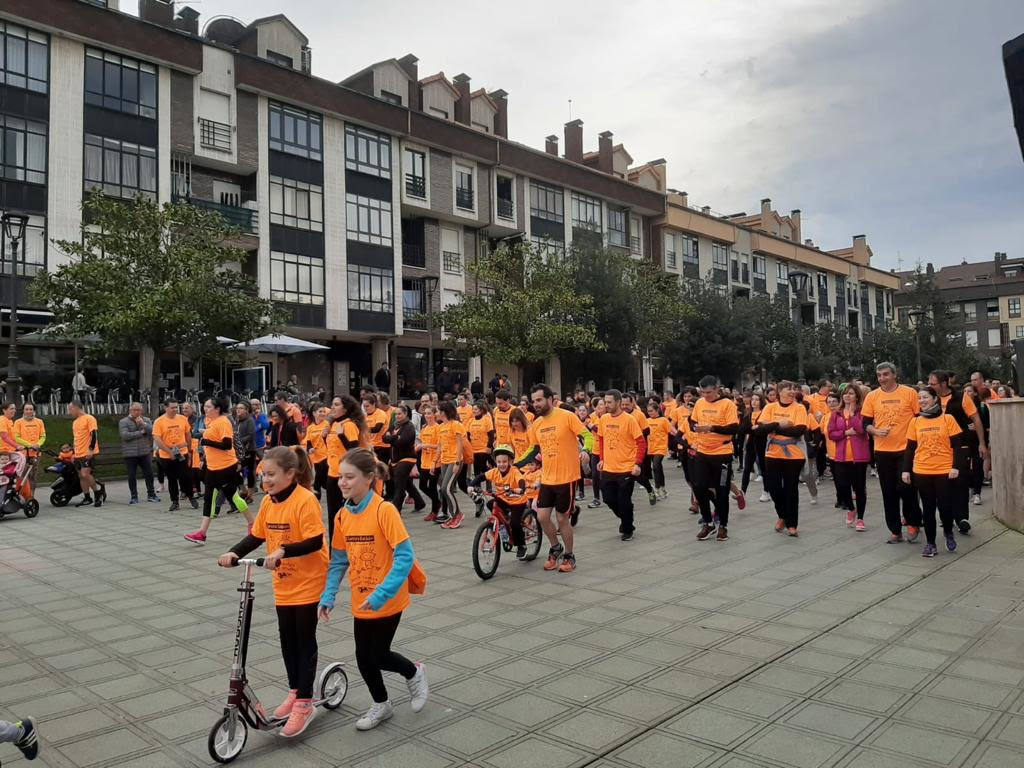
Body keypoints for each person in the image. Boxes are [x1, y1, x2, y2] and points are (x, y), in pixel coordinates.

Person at [217, 446, 328, 738]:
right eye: (263, 474)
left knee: (304, 640)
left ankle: (305, 702)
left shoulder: (306, 500)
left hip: (309, 578)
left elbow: (315, 542)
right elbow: (257, 534)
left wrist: (283, 550)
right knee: (287, 639)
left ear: (291, 474)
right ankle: (295, 690)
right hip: (285, 581)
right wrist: (233, 552)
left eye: (271, 474)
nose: (265, 480)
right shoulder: (269, 502)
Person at [318, 449, 428, 731]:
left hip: (388, 597)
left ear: (369, 479)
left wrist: (382, 593)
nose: (342, 482)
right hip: (361, 598)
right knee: (362, 657)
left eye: (349, 477)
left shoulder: (384, 510)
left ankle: (414, 673)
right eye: (341, 477)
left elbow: (405, 556)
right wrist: (328, 595)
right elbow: (339, 560)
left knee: (379, 654)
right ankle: (382, 704)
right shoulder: (342, 516)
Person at [516, 384, 589, 572]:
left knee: (562, 518)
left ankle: (569, 556)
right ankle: (556, 547)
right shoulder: (537, 425)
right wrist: (514, 464)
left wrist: (586, 451)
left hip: (568, 477)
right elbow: (533, 450)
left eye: (539, 400)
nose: (536, 404)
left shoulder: (567, 417)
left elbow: (587, 436)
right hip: (547, 478)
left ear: (550, 399)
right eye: (534, 401)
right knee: (542, 517)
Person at [862, 362, 922, 543]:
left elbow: (919, 418)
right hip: (882, 450)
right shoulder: (872, 396)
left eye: (886, 374)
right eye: (879, 375)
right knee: (888, 491)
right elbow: (865, 423)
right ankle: (895, 529)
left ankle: (913, 522)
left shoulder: (909, 393)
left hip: (905, 449)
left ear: (895, 375)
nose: (882, 378)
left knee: (906, 487)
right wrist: (875, 431)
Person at [902, 387, 965, 557]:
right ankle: (931, 544)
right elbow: (910, 448)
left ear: (935, 399)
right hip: (922, 470)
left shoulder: (948, 419)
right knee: (928, 509)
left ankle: (948, 532)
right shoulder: (915, 422)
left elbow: (958, 447)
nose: (921, 401)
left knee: (945, 507)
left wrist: (956, 467)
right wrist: (905, 470)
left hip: (945, 470)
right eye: (919, 398)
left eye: (925, 397)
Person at [184, 397, 253, 544]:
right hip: (212, 468)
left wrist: (205, 440)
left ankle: (253, 524)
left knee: (234, 497)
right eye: (204, 406)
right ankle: (201, 533)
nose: (205, 409)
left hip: (226, 468)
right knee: (208, 499)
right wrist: (205, 458)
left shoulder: (223, 422)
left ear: (217, 409)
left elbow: (227, 445)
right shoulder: (210, 421)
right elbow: (212, 440)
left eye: (208, 407)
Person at [930, 370, 986, 533]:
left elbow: (976, 419)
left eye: (933, 383)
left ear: (943, 383)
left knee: (960, 482)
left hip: (960, 446)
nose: (931, 386)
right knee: (943, 485)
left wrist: (982, 443)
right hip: (937, 449)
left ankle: (962, 518)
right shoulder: (930, 399)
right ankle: (947, 516)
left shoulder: (962, 397)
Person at [755, 381, 809, 536]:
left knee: (791, 489)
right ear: (779, 391)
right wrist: (782, 424)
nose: (792, 391)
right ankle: (782, 515)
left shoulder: (799, 408)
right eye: (788, 389)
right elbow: (760, 429)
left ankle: (792, 524)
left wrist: (773, 427)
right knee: (773, 487)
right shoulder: (770, 407)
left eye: (793, 389)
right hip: (773, 453)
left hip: (794, 454)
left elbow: (798, 431)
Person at [689, 376, 740, 541]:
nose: (705, 395)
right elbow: (692, 421)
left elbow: (733, 428)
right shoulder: (699, 403)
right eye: (702, 392)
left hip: (722, 453)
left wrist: (711, 427)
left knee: (722, 490)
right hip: (703, 451)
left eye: (708, 392)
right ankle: (708, 522)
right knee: (698, 487)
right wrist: (696, 427)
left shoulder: (727, 404)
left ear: (717, 389)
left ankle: (723, 525)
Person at [596, 389, 644, 542]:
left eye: (609, 402)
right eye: (605, 402)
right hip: (608, 468)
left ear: (618, 402)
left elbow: (641, 443)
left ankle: (627, 528)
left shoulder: (629, 420)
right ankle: (626, 516)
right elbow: (602, 439)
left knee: (623, 500)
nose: (606, 405)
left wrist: (637, 464)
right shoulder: (603, 419)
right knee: (609, 499)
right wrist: (601, 459)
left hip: (626, 468)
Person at [469, 445, 530, 557]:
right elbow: (481, 477)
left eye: (504, 461)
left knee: (515, 523)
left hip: (517, 501)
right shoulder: (495, 471)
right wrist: (471, 486)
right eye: (499, 462)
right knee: (490, 504)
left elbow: (521, 480)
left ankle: (522, 546)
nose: (501, 464)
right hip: (503, 499)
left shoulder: (514, 471)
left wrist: (520, 489)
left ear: (510, 461)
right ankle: (502, 524)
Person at [325, 395, 369, 543]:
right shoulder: (334, 424)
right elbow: (333, 450)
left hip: (345, 477)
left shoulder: (349, 424)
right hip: (332, 474)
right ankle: (334, 547)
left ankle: (347, 544)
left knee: (344, 513)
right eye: (332, 404)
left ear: (345, 408)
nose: (332, 407)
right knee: (333, 515)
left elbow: (354, 450)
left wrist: (342, 436)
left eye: (336, 404)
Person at [828, 384, 870, 530]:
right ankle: (851, 509)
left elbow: (862, 430)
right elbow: (831, 433)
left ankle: (860, 518)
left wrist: (852, 415)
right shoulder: (836, 414)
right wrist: (845, 433)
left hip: (859, 457)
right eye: (845, 393)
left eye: (851, 393)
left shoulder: (862, 412)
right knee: (842, 486)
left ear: (857, 396)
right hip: (841, 456)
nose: (847, 396)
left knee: (859, 488)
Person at [153, 399, 197, 512]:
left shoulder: (182, 419)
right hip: (166, 455)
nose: (175, 410)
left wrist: (189, 449)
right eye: (172, 407)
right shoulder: (159, 421)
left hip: (181, 453)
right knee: (172, 479)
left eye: (176, 407)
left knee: (185, 476)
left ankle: (191, 496)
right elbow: (157, 439)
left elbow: (188, 434)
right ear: (165, 408)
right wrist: (169, 451)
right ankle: (175, 501)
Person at [383, 404, 426, 514]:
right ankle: (420, 502)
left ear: (406, 414)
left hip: (407, 458)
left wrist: (391, 438)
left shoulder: (409, 426)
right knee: (406, 482)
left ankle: (396, 509)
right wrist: (394, 437)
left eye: (400, 414)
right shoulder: (394, 425)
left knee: (399, 484)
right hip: (394, 459)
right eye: (396, 414)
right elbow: (384, 438)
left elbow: (403, 442)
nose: (397, 416)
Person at [119, 402, 159, 505]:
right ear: (130, 411)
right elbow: (125, 436)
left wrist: (144, 425)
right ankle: (134, 496)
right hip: (130, 454)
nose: (137, 412)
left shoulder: (146, 420)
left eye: (139, 410)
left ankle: (151, 494)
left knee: (149, 474)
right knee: (132, 475)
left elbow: (153, 432)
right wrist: (140, 433)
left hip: (144, 452)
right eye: (134, 410)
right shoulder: (123, 422)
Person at [434, 401, 466, 527]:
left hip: (454, 460)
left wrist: (458, 462)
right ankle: (453, 516)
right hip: (444, 460)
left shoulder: (456, 425)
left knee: (445, 488)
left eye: (438, 411)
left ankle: (457, 514)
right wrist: (435, 462)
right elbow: (440, 445)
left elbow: (460, 444)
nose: (436, 413)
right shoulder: (441, 427)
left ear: (444, 412)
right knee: (445, 490)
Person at [69, 400, 106, 508]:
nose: (70, 411)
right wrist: (73, 453)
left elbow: (94, 434)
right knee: (81, 476)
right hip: (78, 453)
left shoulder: (89, 418)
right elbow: (76, 438)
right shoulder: (75, 422)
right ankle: (87, 497)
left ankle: (98, 494)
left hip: (87, 452)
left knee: (86, 474)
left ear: (76, 408)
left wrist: (91, 449)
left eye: (70, 409)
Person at [416, 406, 441, 521]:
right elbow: (420, 442)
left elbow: (440, 446)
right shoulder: (424, 428)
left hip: (435, 462)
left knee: (432, 486)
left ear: (435, 414)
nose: (427, 415)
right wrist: (417, 447)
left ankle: (434, 511)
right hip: (424, 461)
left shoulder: (438, 428)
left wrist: (426, 446)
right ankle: (437, 501)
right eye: (425, 413)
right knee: (422, 485)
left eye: (429, 413)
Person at [645, 399, 672, 500]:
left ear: (657, 410)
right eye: (648, 411)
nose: (650, 413)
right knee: (658, 468)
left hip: (661, 448)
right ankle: (663, 488)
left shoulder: (663, 420)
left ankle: (656, 489)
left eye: (651, 411)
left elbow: (671, 430)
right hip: (651, 448)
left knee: (656, 466)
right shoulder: (647, 421)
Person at [13, 402, 45, 484]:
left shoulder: (39, 421)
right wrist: (30, 445)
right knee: (22, 477)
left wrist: (38, 444)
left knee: (33, 477)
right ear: (23, 411)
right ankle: (21, 495)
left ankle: (31, 496)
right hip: (23, 454)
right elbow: (16, 437)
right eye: (26, 409)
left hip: (36, 453)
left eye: (31, 409)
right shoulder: (18, 422)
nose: (29, 411)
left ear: (34, 410)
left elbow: (43, 436)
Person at [305, 404, 331, 501]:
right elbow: (308, 442)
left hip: (326, 456)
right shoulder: (310, 428)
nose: (323, 413)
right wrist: (310, 448)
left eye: (324, 411)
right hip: (316, 457)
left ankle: (316, 499)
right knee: (323, 481)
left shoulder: (327, 424)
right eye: (320, 411)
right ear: (314, 413)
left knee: (318, 481)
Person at [467, 400, 496, 479]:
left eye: (476, 409)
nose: (474, 411)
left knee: (483, 468)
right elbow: (467, 435)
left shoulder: (486, 419)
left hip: (483, 448)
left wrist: (489, 447)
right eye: (473, 409)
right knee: (476, 469)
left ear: (481, 410)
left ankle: (491, 479)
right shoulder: (470, 421)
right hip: (474, 449)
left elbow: (491, 435)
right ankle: (477, 488)